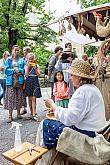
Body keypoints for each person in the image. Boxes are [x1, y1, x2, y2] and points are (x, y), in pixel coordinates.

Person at [36, 59, 106, 151]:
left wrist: (53, 106)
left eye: (72, 75)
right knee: (56, 123)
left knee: (46, 124)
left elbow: (70, 119)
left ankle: (42, 155)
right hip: (97, 131)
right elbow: (76, 113)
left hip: (88, 136)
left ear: (79, 77)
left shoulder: (82, 91)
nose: (70, 77)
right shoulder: (93, 89)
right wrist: (56, 109)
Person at [4, 45, 25, 123]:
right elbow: (6, 71)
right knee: (10, 97)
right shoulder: (8, 60)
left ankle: (18, 114)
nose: (16, 52)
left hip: (19, 80)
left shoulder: (21, 60)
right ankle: (10, 116)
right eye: (15, 50)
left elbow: (24, 69)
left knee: (19, 96)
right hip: (10, 81)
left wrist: (19, 70)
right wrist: (14, 71)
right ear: (12, 50)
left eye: (18, 50)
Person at [24, 53, 42, 120]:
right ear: (27, 59)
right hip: (29, 81)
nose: (31, 60)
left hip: (35, 81)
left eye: (32, 59)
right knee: (29, 97)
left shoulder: (37, 65)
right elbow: (26, 75)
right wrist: (28, 67)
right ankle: (31, 112)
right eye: (29, 59)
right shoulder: (26, 65)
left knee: (34, 98)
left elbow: (39, 75)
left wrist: (35, 68)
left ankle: (34, 113)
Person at [20, 46, 31, 115]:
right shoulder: (21, 60)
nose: (25, 52)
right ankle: (23, 108)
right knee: (23, 94)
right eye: (24, 50)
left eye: (27, 50)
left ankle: (32, 110)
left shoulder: (32, 59)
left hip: (30, 79)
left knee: (30, 95)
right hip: (23, 79)